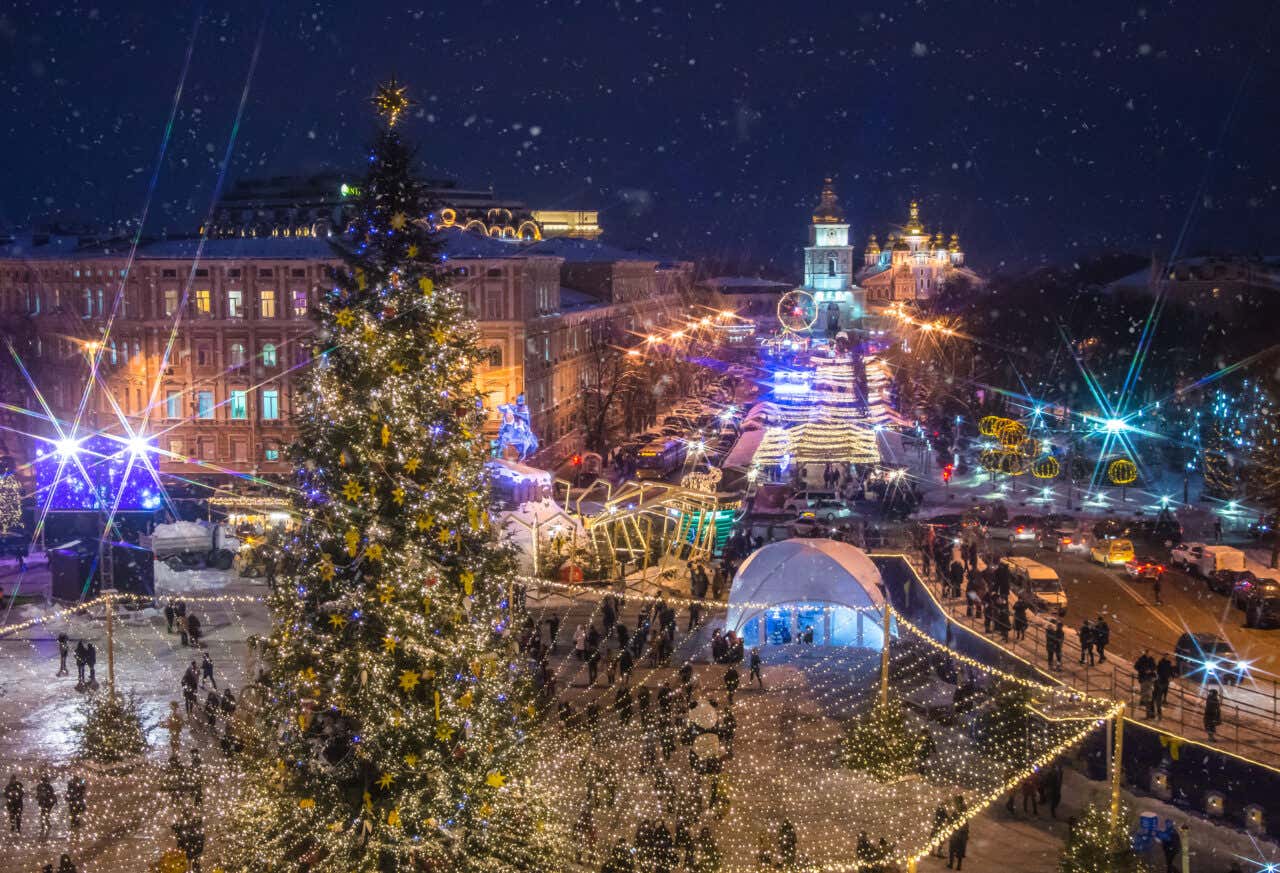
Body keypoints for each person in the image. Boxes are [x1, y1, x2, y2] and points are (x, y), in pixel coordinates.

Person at [947, 796, 969, 869]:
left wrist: (948, 821)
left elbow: (951, 820)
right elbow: (966, 823)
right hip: (963, 833)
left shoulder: (957, 811)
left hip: (957, 832)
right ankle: (959, 866)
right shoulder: (965, 810)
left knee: (952, 848)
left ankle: (951, 864)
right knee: (960, 849)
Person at [35, 773, 56, 837]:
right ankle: (45, 825)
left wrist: (47, 796)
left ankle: (45, 824)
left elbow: (52, 794)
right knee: (43, 813)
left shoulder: (49, 787)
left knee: (45, 813)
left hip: (48, 803)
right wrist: (39, 797)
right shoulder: (39, 786)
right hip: (43, 802)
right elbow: (38, 794)